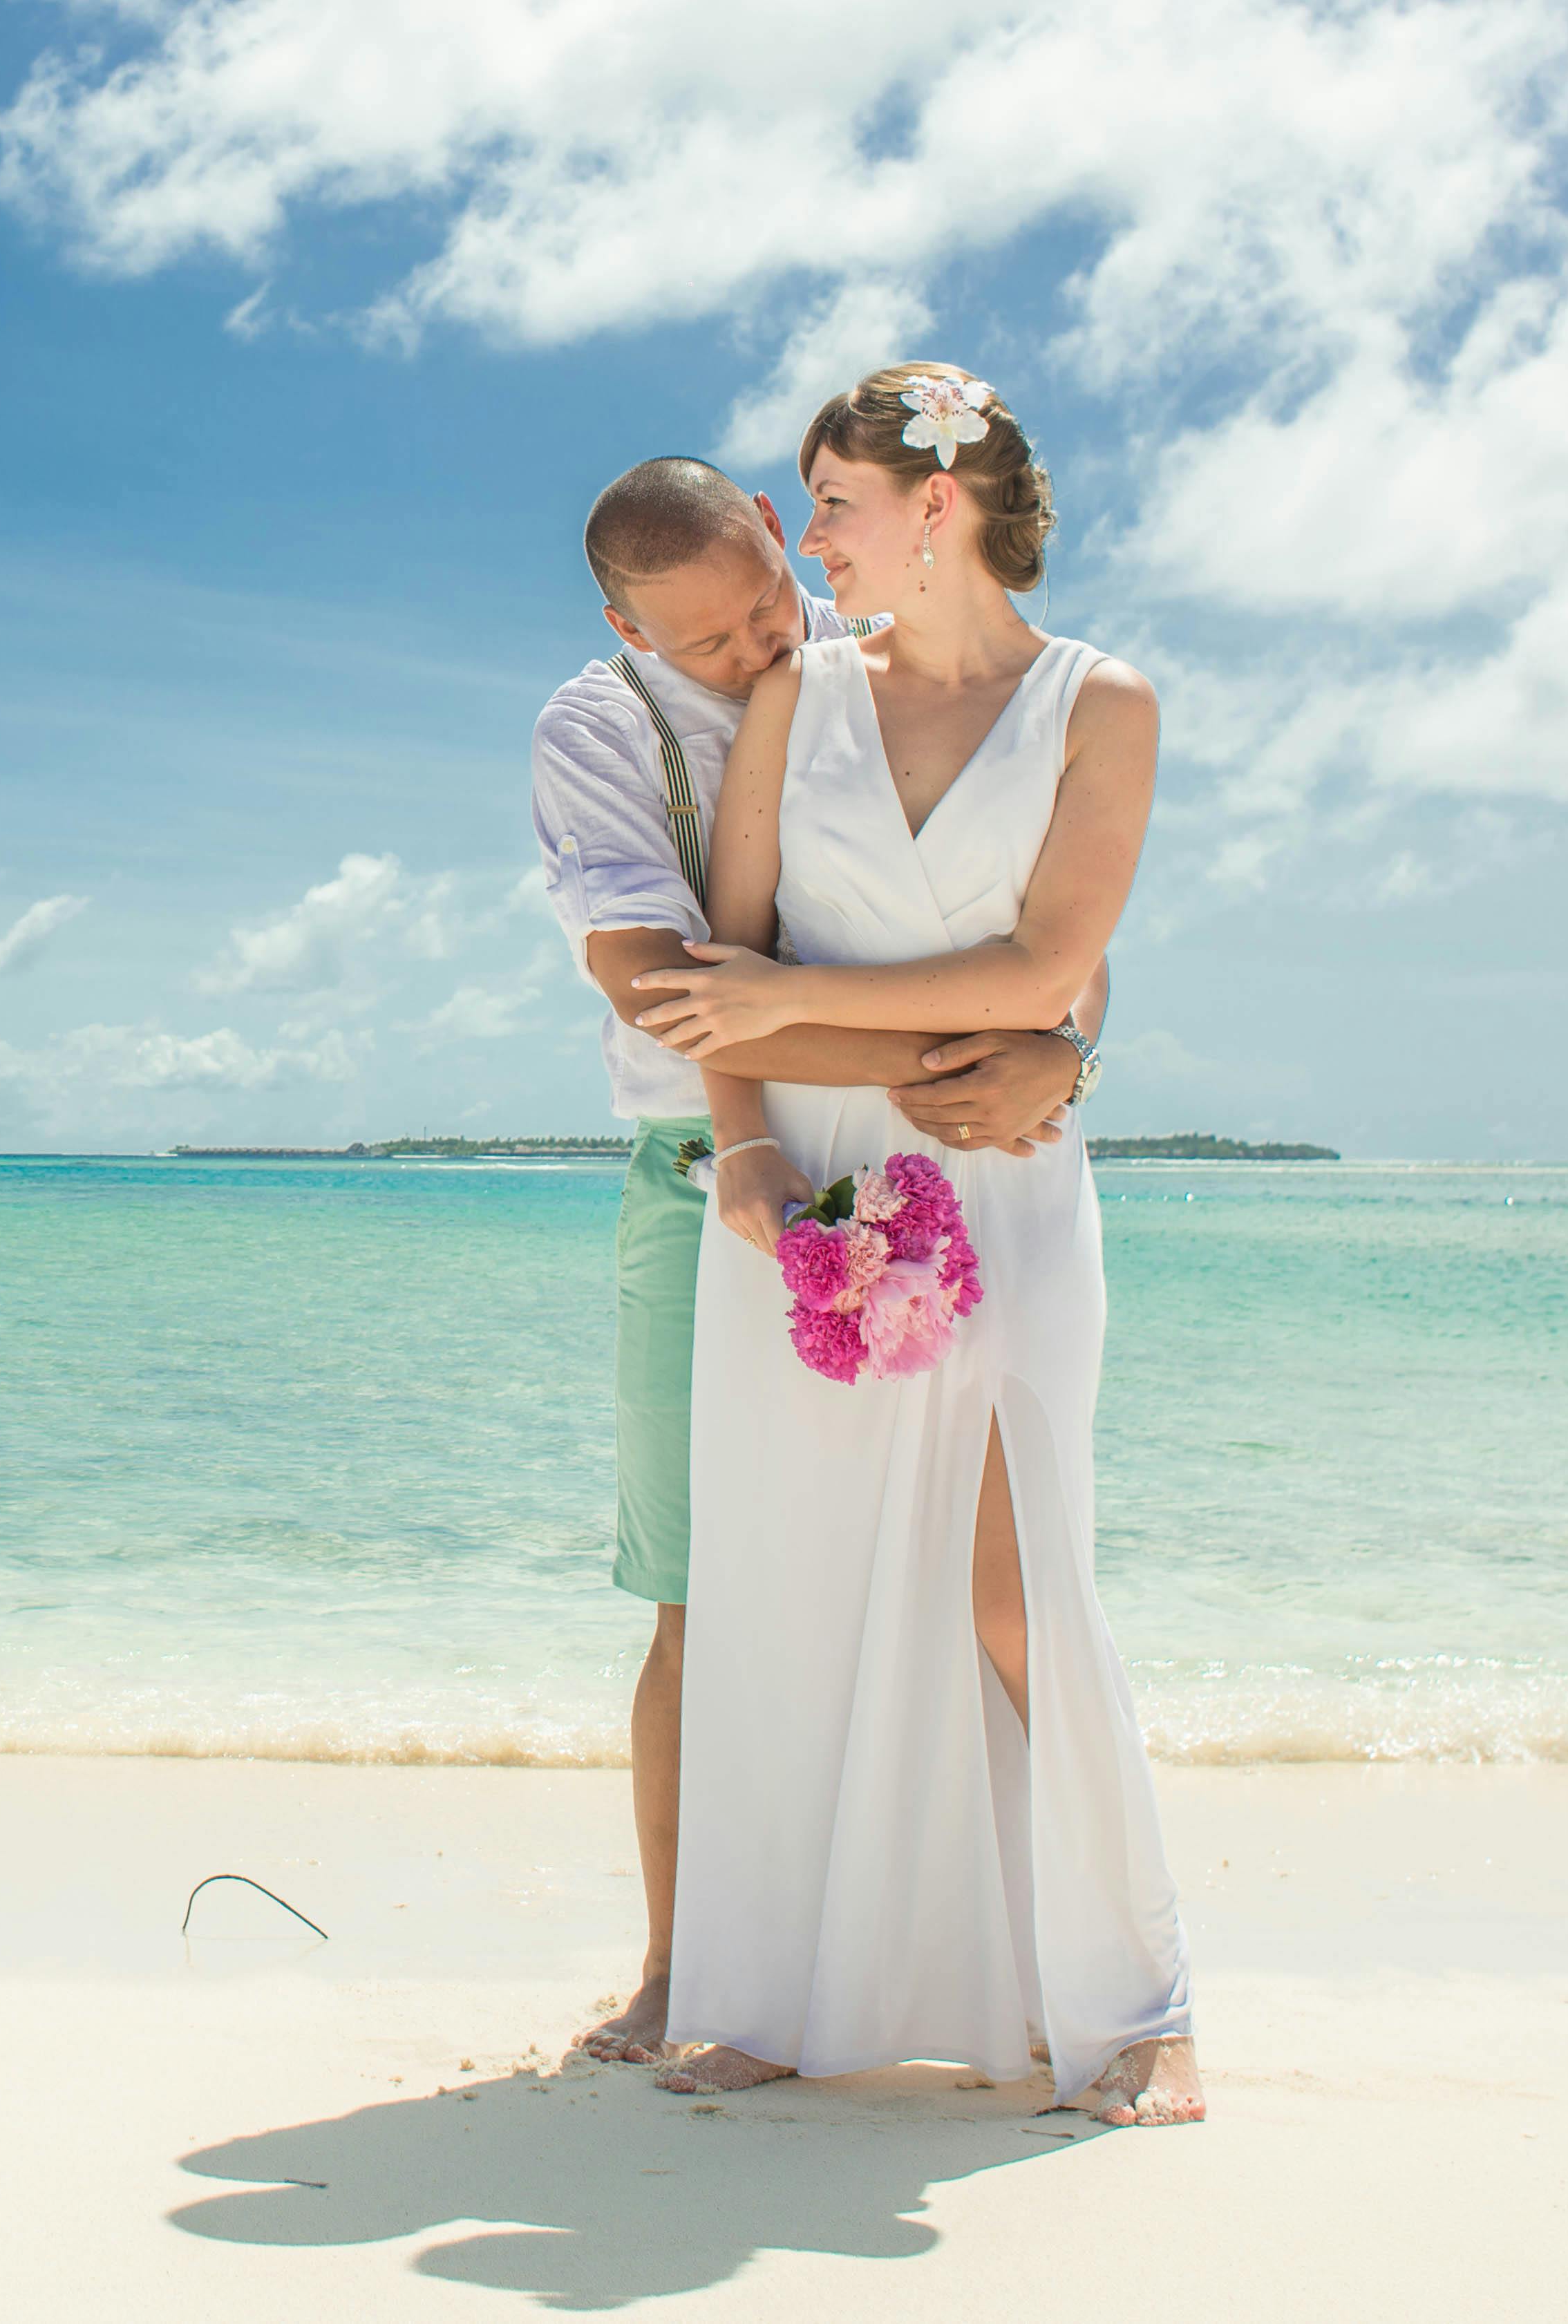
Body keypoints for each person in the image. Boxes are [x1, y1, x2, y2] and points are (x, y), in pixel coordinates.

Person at [625, 367, 1204, 2128]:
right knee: (788, 1588)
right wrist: (751, 1125)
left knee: (1012, 1586)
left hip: (1009, 1181)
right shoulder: (797, 691)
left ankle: (1132, 1997)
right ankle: (774, 1995)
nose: (808, 544)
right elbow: (706, 981)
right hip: (807, 1192)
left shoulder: (1101, 706)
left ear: (934, 504)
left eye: (832, 506)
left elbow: (1045, 974)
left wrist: (811, 1005)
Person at [530, 454, 1102, 2071]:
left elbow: (1053, 918)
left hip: (939, 1168)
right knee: (699, 1591)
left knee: (970, 1579)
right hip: (712, 1180)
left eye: (761, 605)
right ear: (622, 624)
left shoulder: (886, 664)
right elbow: (663, 983)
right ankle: (680, 1962)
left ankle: (1026, 1955)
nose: (746, 653)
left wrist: (1054, 1041)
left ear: (783, 537)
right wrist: (998, 1032)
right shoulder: (599, 728)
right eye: (701, 644)